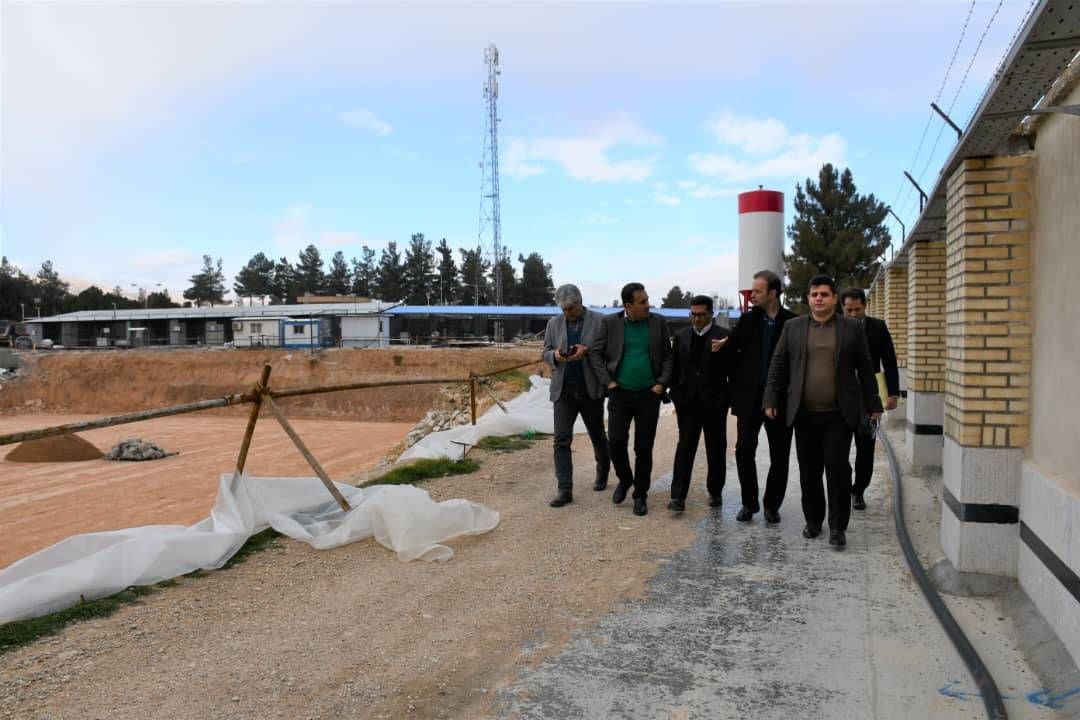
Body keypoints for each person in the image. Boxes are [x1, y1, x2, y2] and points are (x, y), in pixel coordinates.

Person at [763, 275, 882, 549]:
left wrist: (874, 404)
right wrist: (770, 398)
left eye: (824, 294)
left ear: (834, 299)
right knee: (809, 471)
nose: (819, 298)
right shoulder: (793, 327)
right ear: (808, 298)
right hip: (804, 414)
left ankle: (838, 527)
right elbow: (778, 364)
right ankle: (814, 521)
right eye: (814, 294)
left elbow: (865, 368)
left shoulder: (851, 328)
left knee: (837, 469)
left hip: (839, 414)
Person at [590, 282, 673, 517]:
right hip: (620, 393)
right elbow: (595, 353)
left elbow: (669, 356)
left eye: (647, 300)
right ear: (628, 306)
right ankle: (625, 479)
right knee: (616, 442)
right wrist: (609, 382)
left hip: (649, 394)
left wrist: (661, 383)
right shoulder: (610, 323)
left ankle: (640, 495)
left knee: (643, 448)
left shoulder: (658, 322)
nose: (648, 305)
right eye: (642, 302)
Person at [730, 270, 797, 523]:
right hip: (750, 397)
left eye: (758, 291)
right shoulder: (747, 320)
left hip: (780, 399)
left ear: (773, 293)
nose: (752, 295)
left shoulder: (793, 322)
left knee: (779, 454)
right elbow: (733, 352)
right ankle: (749, 504)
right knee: (743, 449)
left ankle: (772, 506)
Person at [542, 284, 611, 508]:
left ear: (580, 302)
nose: (567, 313)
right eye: (563, 309)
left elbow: (609, 351)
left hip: (590, 390)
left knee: (597, 435)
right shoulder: (553, 324)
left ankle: (603, 471)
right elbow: (545, 352)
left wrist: (587, 351)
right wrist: (555, 355)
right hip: (563, 391)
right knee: (561, 440)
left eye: (570, 308)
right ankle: (564, 489)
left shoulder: (600, 321)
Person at [667, 295, 733, 512]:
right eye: (693, 314)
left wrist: (725, 399)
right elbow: (675, 368)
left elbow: (733, 370)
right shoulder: (681, 336)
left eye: (701, 315)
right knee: (685, 447)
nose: (696, 319)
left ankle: (715, 491)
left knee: (716, 448)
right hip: (687, 403)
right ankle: (678, 496)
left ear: (711, 314)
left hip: (715, 403)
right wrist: (676, 394)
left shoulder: (725, 336)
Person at [839, 287, 900, 511]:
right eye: (848, 310)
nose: (853, 314)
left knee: (866, 448)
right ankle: (843, 487)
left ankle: (859, 490)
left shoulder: (878, 327)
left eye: (857, 309)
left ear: (865, 306)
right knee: (838, 448)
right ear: (842, 308)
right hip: (842, 397)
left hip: (870, 398)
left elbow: (889, 361)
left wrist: (893, 393)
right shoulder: (835, 327)